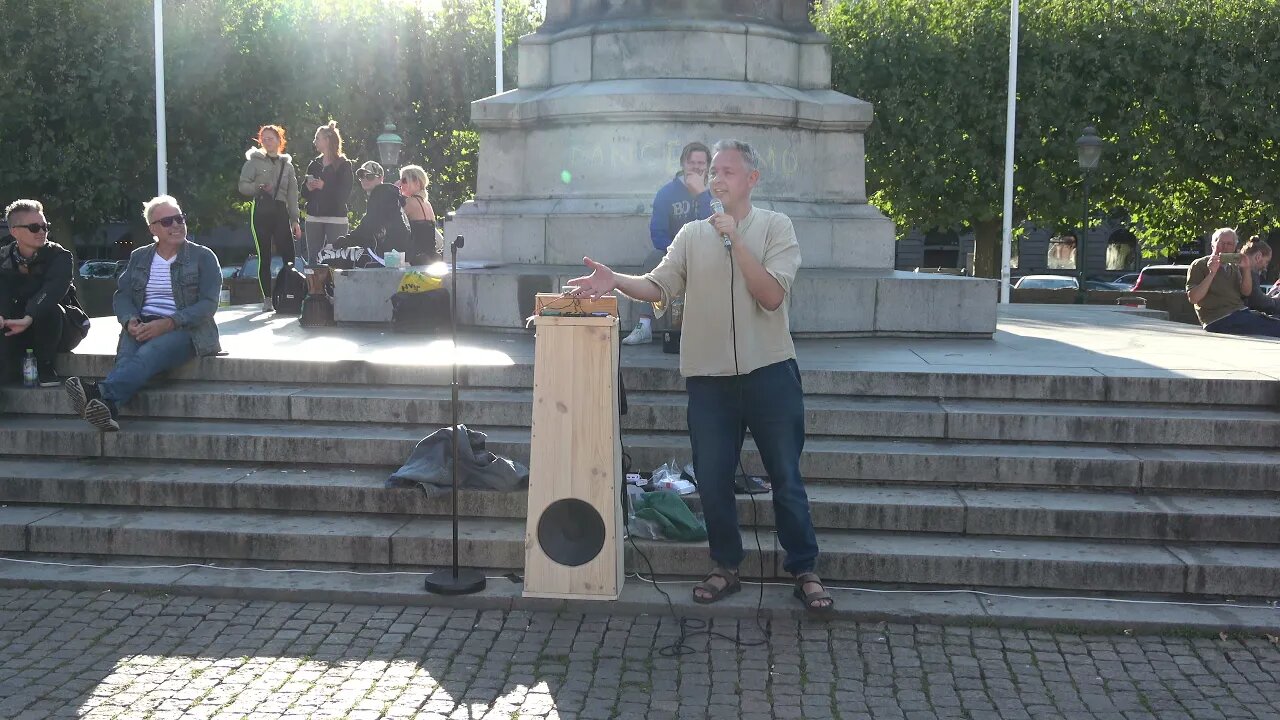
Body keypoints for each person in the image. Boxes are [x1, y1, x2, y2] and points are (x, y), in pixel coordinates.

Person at [567, 139, 832, 612]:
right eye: (714, 172)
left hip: (770, 372)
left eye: (729, 171)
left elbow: (771, 296)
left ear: (752, 179)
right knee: (711, 478)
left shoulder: (776, 227)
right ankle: (725, 565)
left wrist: (736, 239)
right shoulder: (691, 234)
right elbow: (658, 286)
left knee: (786, 477)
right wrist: (617, 282)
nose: (718, 179)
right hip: (709, 379)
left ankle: (804, 568)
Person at [63, 196, 222, 432]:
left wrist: (169, 323)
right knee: (127, 360)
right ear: (153, 229)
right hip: (142, 324)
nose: (177, 225)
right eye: (168, 221)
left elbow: (208, 305)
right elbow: (123, 295)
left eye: (180, 219)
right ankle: (109, 407)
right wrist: (130, 321)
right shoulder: (140, 256)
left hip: (187, 331)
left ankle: (100, 392)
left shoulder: (203, 257)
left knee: (150, 352)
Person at [624, 142, 713, 345]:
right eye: (692, 163)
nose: (697, 167)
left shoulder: (714, 192)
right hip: (673, 255)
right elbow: (657, 233)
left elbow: (717, 225)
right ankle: (644, 326)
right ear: (683, 163)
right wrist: (678, 252)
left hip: (708, 255)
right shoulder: (666, 193)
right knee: (653, 259)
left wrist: (701, 195)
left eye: (702, 163)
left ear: (708, 166)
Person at [0, 200, 89, 387]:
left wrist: (30, 316)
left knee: (49, 308)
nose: (41, 232)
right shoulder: (3, 257)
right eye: (34, 227)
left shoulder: (60, 256)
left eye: (44, 226)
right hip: (16, 326)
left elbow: (53, 290)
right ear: (14, 231)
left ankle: (46, 365)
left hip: (60, 327)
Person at [238, 124, 301, 312]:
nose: (266, 142)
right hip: (262, 209)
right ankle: (267, 299)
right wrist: (258, 186)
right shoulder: (253, 162)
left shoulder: (287, 165)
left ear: (279, 141)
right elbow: (243, 185)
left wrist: (295, 220)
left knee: (289, 255)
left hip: (281, 210)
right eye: (263, 139)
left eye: (270, 138)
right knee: (263, 255)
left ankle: (290, 293)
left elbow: (292, 194)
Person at [1186, 227, 1280, 337]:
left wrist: (1246, 269)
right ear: (1213, 245)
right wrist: (1212, 273)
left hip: (1239, 313)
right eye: (1221, 243)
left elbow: (1246, 292)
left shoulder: (1234, 267)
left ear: (1234, 247)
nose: (1225, 247)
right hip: (1218, 318)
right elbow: (1193, 298)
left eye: (1229, 244)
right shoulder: (1199, 265)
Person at [300, 121, 354, 263]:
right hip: (314, 217)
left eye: (317, 138)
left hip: (336, 218)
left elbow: (345, 194)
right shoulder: (314, 164)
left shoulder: (344, 164)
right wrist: (308, 188)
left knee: (337, 257)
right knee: (313, 258)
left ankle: (336, 285)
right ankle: (313, 285)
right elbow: (303, 193)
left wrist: (325, 186)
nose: (314, 141)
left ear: (327, 140)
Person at [338, 161, 410, 256]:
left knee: (326, 256)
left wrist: (346, 241)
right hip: (396, 252)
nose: (365, 179)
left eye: (370, 176)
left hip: (389, 255)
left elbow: (368, 226)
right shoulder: (388, 194)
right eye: (361, 176)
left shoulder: (381, 194)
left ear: (381, 178)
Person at [399, 164, 442, 265]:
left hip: (416, 260)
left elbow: (392, 221)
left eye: (404, 180)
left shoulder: (410, 202)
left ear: (416, 182)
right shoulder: (427, 204)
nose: (401, 184)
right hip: (431, 259)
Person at [1240, 235, 1279, 316]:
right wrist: (1277, 299)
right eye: (1266, 262)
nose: (1265, 267)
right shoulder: (1249, 272)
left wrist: (1270, 294)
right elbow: (1257, 301)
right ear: (1258, 257)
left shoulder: (1237, 268)